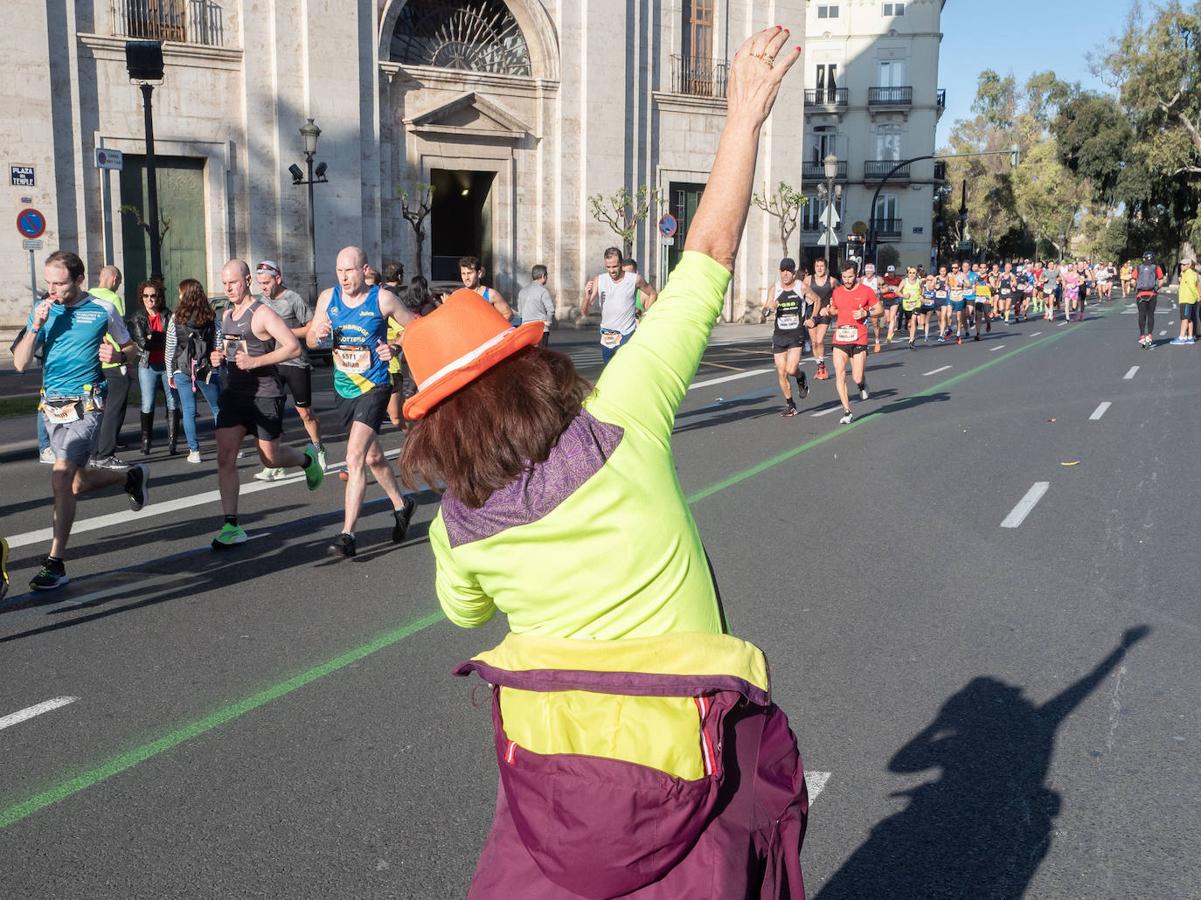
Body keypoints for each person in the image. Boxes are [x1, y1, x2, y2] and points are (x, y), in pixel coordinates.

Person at [399, 28, 807, 898]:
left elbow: (463, 611)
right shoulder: (621, 419)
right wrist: (741, 120)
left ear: (436, 430)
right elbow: (705, 261)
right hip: (689, 752)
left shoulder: (459, 531)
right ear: (531, 365)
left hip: (557, 779)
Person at [11, 250, 150, 590]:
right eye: (48, 283)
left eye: (59, 283)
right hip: (53, 407)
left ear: (78, 279)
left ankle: (55, 563)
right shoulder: (44, 311)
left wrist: (118, 355)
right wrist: (35, 328)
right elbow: (19, 363)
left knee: (61, 479)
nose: (53, 289)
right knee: (75, 484)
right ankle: (128, 477)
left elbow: (133, 348)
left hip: (87, 404)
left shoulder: (102, 309)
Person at [307, 247, 417, 559]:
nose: (344, 277)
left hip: (376, 386)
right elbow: (312, 339)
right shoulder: (328, 298)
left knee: (354, 458)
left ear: (364, 270)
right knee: (372, 458)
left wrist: (395, 347)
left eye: (350, 271)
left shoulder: (382, 299)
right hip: (343, 388)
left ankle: (347, 534)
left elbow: (415, 327)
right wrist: (319, 333)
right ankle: (402, 503)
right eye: (340, 271)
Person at [209, 259, 325, 549]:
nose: (228, 288)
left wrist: (256, 361)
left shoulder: (262, 314)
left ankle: (307, 459)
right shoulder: (226, 316)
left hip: (265, 394)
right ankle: (231, 525)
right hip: (235, 395)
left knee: (269, 459)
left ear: (247, 280)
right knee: (225, 457)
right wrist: (218, 357)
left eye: (233, 282)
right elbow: (231, 348)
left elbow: (293, 346)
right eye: (224, 284)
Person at [252, 260, 326, 480]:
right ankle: (274, 462)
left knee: (305, 412)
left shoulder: (294, 299)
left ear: (278, 278)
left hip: (295, 362)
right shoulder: (259, 303)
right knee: (271, 413)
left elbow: (311, 329)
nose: (263, 287)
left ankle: (318, 448)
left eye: (266, 282)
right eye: (260, 283)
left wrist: (284, 331)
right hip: (272, 364)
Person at [166, 279, 222, 464]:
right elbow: (218, 343)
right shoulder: (211, 316)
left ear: (186, 294)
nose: (179, 295)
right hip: (206, 368)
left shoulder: (176, 318)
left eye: (181, 292)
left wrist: (169, 372)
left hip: (182, 369)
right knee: (217, 408)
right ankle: (226, 445)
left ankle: (195, 451)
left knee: (189, 410)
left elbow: (171, 347)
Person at [581, 247, 659, 363]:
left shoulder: (634, 279)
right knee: (609, 370)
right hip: (607, 335)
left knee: (624, 369)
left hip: (627, 333)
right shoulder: (600, 280)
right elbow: (584, 312)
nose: (611, 270)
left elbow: (652, 293)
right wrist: (587, 298)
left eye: (615, 266)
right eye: (608, 267)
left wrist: (646, 314)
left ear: (621, 264)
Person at [129, 279, 180, 455]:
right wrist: (160, 340)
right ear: (141, 297)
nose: (150, 299)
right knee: (147, 403)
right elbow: (143, 344)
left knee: (173, 401)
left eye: (153, 296)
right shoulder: (137, 318)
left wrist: (154, 338)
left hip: (168, 365)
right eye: (146, 296)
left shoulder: (168, 315)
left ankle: (173, 442)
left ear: (159, 297)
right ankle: (146, 442)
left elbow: (175, 339)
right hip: (147, 365)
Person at [828, 261, 882, 424]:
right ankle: (847, 411)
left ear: (857, 275)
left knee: (857, 377)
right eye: (844, 277)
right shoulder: (836, 292)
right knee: (840, 372)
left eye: (850, 277)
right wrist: (830, 311)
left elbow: (879, 310)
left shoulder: (866, 291)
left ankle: (861, 384)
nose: (847, 280)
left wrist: (865, 312)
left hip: (859, 337)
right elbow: (835, 309)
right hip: (840, 337)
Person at [89, 265, 131, 468]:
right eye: (120, 282)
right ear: (114, 279)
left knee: (97, 409)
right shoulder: (112, 300)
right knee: (115, 409)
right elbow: (121, 331)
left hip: (96, 364)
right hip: (114, 360)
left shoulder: (89, 297)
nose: (119, 286)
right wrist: (123, 356)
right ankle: (105, 453)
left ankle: (95, 451)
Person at [763, 257, 810, 416]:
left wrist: (812, 318)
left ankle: (800, 376)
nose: (785, 274)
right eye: (783, 270)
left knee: (791, 370)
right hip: (779, 335)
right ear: (780, 271)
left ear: (794, 272)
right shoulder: (774, 288)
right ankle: (791, 405)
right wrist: (769, 308)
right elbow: (768, 305)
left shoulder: (801, 287)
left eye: (789, 271)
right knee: (781, 372)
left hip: (796, 334)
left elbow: (815, 300)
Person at [806, 256, 836, 378]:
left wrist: (830, 305)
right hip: (811, 313)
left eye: (822, 266)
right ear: (814, 267)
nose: (819, 268)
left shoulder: (832, 281)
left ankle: (822, 367)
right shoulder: (808, 280)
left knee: (819, 340)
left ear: (826, 267)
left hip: (824, 313)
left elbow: (839, 294)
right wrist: (807, 298)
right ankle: (819, 366)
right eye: (817, 266)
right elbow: (801, 292)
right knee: (814, 343)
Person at [460, 256, 513, 320]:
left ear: (479, 273)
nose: (466, 277)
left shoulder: (491, 294)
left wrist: (494, 328)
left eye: (469, 273)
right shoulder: (458, 295)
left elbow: (507, 314)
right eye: (463, 274)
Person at [516, 264, 556, 347]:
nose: (547, 278)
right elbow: (551, 309)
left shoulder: (522, 291)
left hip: (526, 329)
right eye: (547, 276)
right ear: (543, 276)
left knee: (529, 357)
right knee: (541, 357)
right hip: (540, 329)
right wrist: (548, 321)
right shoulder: (543, 291)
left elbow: (520, 312)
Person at [1134, 252, 1164, 349]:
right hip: (1152, 294)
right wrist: (1157, 288)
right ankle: (1149, 335)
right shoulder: (1156, 267)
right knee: (1150, 314)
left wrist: (1135, 287)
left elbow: (1133, 281)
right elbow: (1161, 280)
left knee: (1141, 315)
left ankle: (1142, 335)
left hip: (1140, 294)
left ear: (1144, 258)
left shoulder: (1138, 268)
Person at [1172, 258, 1198, 344]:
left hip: (1187, 299)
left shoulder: (1189, 274)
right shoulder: (1185, 273)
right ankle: (1190, 337)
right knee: (1189, 319)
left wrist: (1197, 296)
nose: (1181, 266)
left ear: (1189, 265)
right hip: (1187, 299)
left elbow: (1192, 286)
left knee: (1184, 319)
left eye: (1184, 264)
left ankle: (1181, 338)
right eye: (1181, 264)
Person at [899, 264, 924, 348]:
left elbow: (922, 289)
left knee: (913, 320)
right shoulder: (904, 281)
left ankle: (911, 339)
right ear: (908, 274)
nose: (912, 274)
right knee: (909, 324)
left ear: (916, 274)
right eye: (910, 273)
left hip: (916, 304)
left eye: (914, 273)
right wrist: (904, 296)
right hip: (907, 305)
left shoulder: (918, 281)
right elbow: (897, 291)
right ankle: (912, 337)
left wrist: (922, 296)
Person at [879, 264, 902, 345]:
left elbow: (900, 288)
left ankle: (889, 336)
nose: (890, 274)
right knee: (888, 319)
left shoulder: (898, 279)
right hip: (886, 299)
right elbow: (880, 288)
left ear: (894, 272)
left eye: (891, 272)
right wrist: (886, 289)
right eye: (889, 272)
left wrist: (897, 290)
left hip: (894, 299)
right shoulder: (883, 279)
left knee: (892, 317)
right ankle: (891, 330)